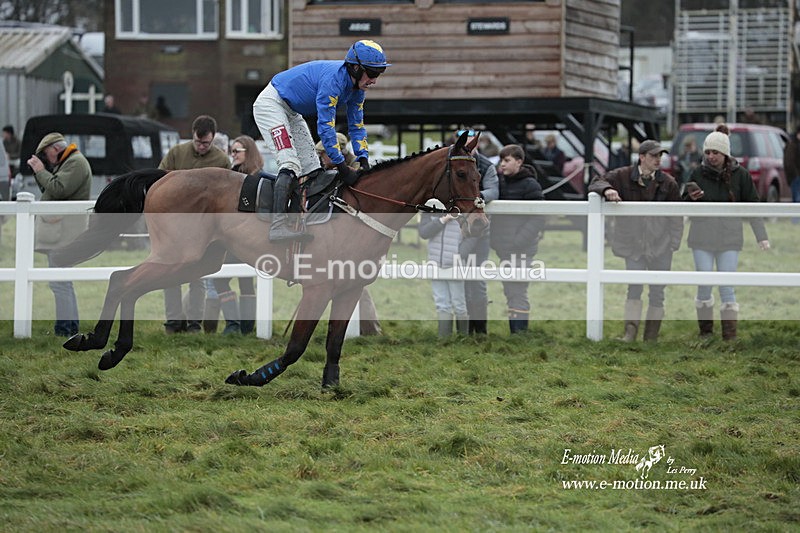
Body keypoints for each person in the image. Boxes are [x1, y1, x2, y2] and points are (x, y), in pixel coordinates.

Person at [252, 39, 390, 242]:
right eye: (372, 73)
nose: (374, 80)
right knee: (290, 163)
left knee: (312, 168)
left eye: (379, 74)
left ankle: (299, 218)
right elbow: (326, 128)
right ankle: (278, 224)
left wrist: (363, 159)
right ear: (355, 68)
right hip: (271, 105)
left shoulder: (357, 90)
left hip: (291, 111)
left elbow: (357, 126)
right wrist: (342, 166)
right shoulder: (333, 82)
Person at [588, 140, 684, 342]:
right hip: (633, 245)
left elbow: (677, 216)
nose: (658, 160)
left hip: (661, 244)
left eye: (660, 156)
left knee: (658, 292)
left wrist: (674, 243)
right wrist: (607, 190)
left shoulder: (669, 183)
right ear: (642, 157)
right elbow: (596, 181)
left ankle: (651, 338)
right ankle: (629, 334)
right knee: (634, 287)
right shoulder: (622, 176)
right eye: (653, 156)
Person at [684, 124, 770, 341]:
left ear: (725, 153)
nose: (711, 156)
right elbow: (682, 201)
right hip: (702, 237)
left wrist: (762, 236)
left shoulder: (741, 176)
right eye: (708, 152)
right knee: (704, 284)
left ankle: (729, 337)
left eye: (715, 152)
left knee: (727, 286)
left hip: (729, 237)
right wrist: (690, 199)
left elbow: (753, 205)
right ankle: (706, 333)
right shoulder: (696, 173)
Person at [159, 115, 231, 334]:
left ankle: (194, 324)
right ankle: (172, 322)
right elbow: (159, 183)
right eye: (198, 142)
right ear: (193, 135)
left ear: (212, 139)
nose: (201, 147)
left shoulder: (221, 160)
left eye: (206, 143)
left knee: (196, 276)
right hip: (175, 226)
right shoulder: (176, 154)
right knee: (169, 274)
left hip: (204, 230)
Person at [315, 133, 383, 336]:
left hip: (357, 240)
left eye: (323, 154)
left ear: (339, 153)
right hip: (339, 238)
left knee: (356, 284)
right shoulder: (332, 171)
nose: (321, 159)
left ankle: (369, 329)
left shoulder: (356, 175)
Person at [27, 132, 92, 336]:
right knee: (62, 282)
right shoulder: (70, 162)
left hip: (64, 235)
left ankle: (64, 330)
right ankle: (69, 327)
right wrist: (42, 172)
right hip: (61, 233)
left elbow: (58, 188)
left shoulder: (76, 163)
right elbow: (52, 187)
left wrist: (40, 170)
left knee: (59, 283)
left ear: (56, 149)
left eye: (47, 154)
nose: (47, 160)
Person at [489, 144, 545, 333]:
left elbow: (538, 217)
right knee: (509, 289)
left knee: (518, 289)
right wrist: (497, 241)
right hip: (503, 248)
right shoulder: (499, 182)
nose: (502, 165)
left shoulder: (531, 185)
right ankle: (516, 331)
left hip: (522, 248)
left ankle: (520, 332)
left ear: (519, 162)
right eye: (501, 161)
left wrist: (518, 241)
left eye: (507, 160)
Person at [454, 129, 499, 335]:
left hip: (479, 231)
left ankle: (479, 328)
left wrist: (472, 194)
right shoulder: (452, 162)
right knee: (458, 276)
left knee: (476, 278)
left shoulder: (487, 167)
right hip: (455, 229)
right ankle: (463, 327)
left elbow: (493, 191)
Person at [419, 200, 468, 336]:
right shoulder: (430, 206)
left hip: (455, 265)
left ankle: (463, 337)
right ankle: (444, 338)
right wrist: (444, 219)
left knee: (459, 303)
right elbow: (424, 232)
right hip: (435, 263)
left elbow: (472, 235)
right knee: (441, 302)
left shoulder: (462, 208)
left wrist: (459, 255)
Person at [782, 125, 800, 215]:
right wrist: (795, 176)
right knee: (797, 201)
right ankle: (796, 220)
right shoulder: (793, 146)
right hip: (796, 178)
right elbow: (789, 162)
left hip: (795, 177)